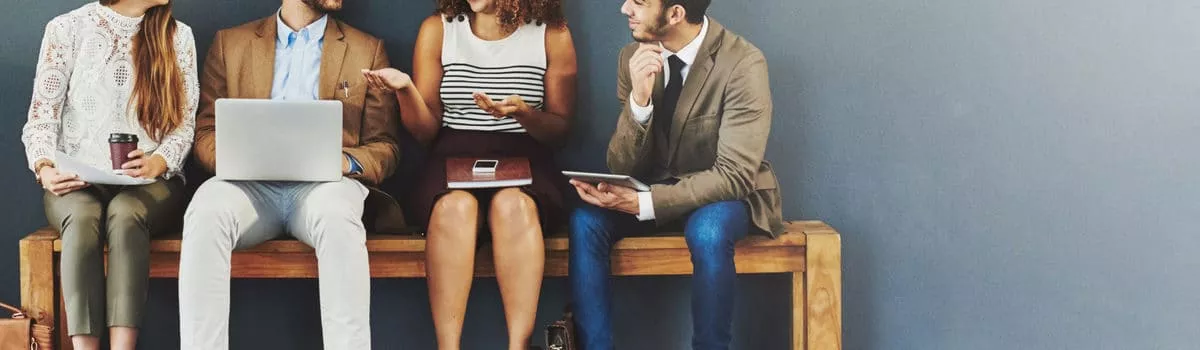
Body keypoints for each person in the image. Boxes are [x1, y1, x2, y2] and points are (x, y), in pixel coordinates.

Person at [177, 0, 401, 348]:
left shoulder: (367, 50)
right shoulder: (230, 44)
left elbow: (384, 147)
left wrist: (343, 162)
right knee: (205, 209)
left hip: (327, 187)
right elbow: (205, 132)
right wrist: (237, 158)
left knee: (338, 215)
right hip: (248, 188)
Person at [566, 0, 784, 349]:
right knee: (585, 221)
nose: (625, 8)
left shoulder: (743, 63)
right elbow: (622, 168)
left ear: (675, 14)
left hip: (722, 196)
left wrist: (646, 202)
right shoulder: (631, 59)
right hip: (651, 190)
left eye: (638, 2)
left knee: (709, 231)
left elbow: (734, 176)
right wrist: (639, 101)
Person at [362, 0, 576, 348]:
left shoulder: (552, 33)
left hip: (525, 162)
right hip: (452, 161)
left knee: (514, 208)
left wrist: (522, 113)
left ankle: (518, 346)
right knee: (454, 210)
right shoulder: (438, 29)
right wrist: (406, 91)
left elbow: (561, 129)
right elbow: (426, 132)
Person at [19, 0, 197, 349]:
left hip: (152, 183)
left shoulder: (178, 36)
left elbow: (184, 127)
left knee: (126, 214)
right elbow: (41, 119)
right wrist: (44, 167)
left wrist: (159, 160)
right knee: (83, 217)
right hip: (76, 181)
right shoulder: (66, 29)